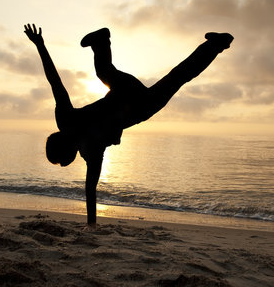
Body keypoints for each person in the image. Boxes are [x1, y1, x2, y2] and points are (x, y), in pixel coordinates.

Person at [24, 24, 233, 229]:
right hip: (125, 91)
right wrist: (40, 45)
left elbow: (90, 188)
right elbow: (55, 82)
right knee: (106, 72)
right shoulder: (66, 120)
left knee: (178, 78)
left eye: (60, 161)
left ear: (65, 149)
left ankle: (216, 45)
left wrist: (92, 225)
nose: (63, 166)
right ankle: (102, 41)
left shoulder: (90, 149)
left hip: (140, 107)